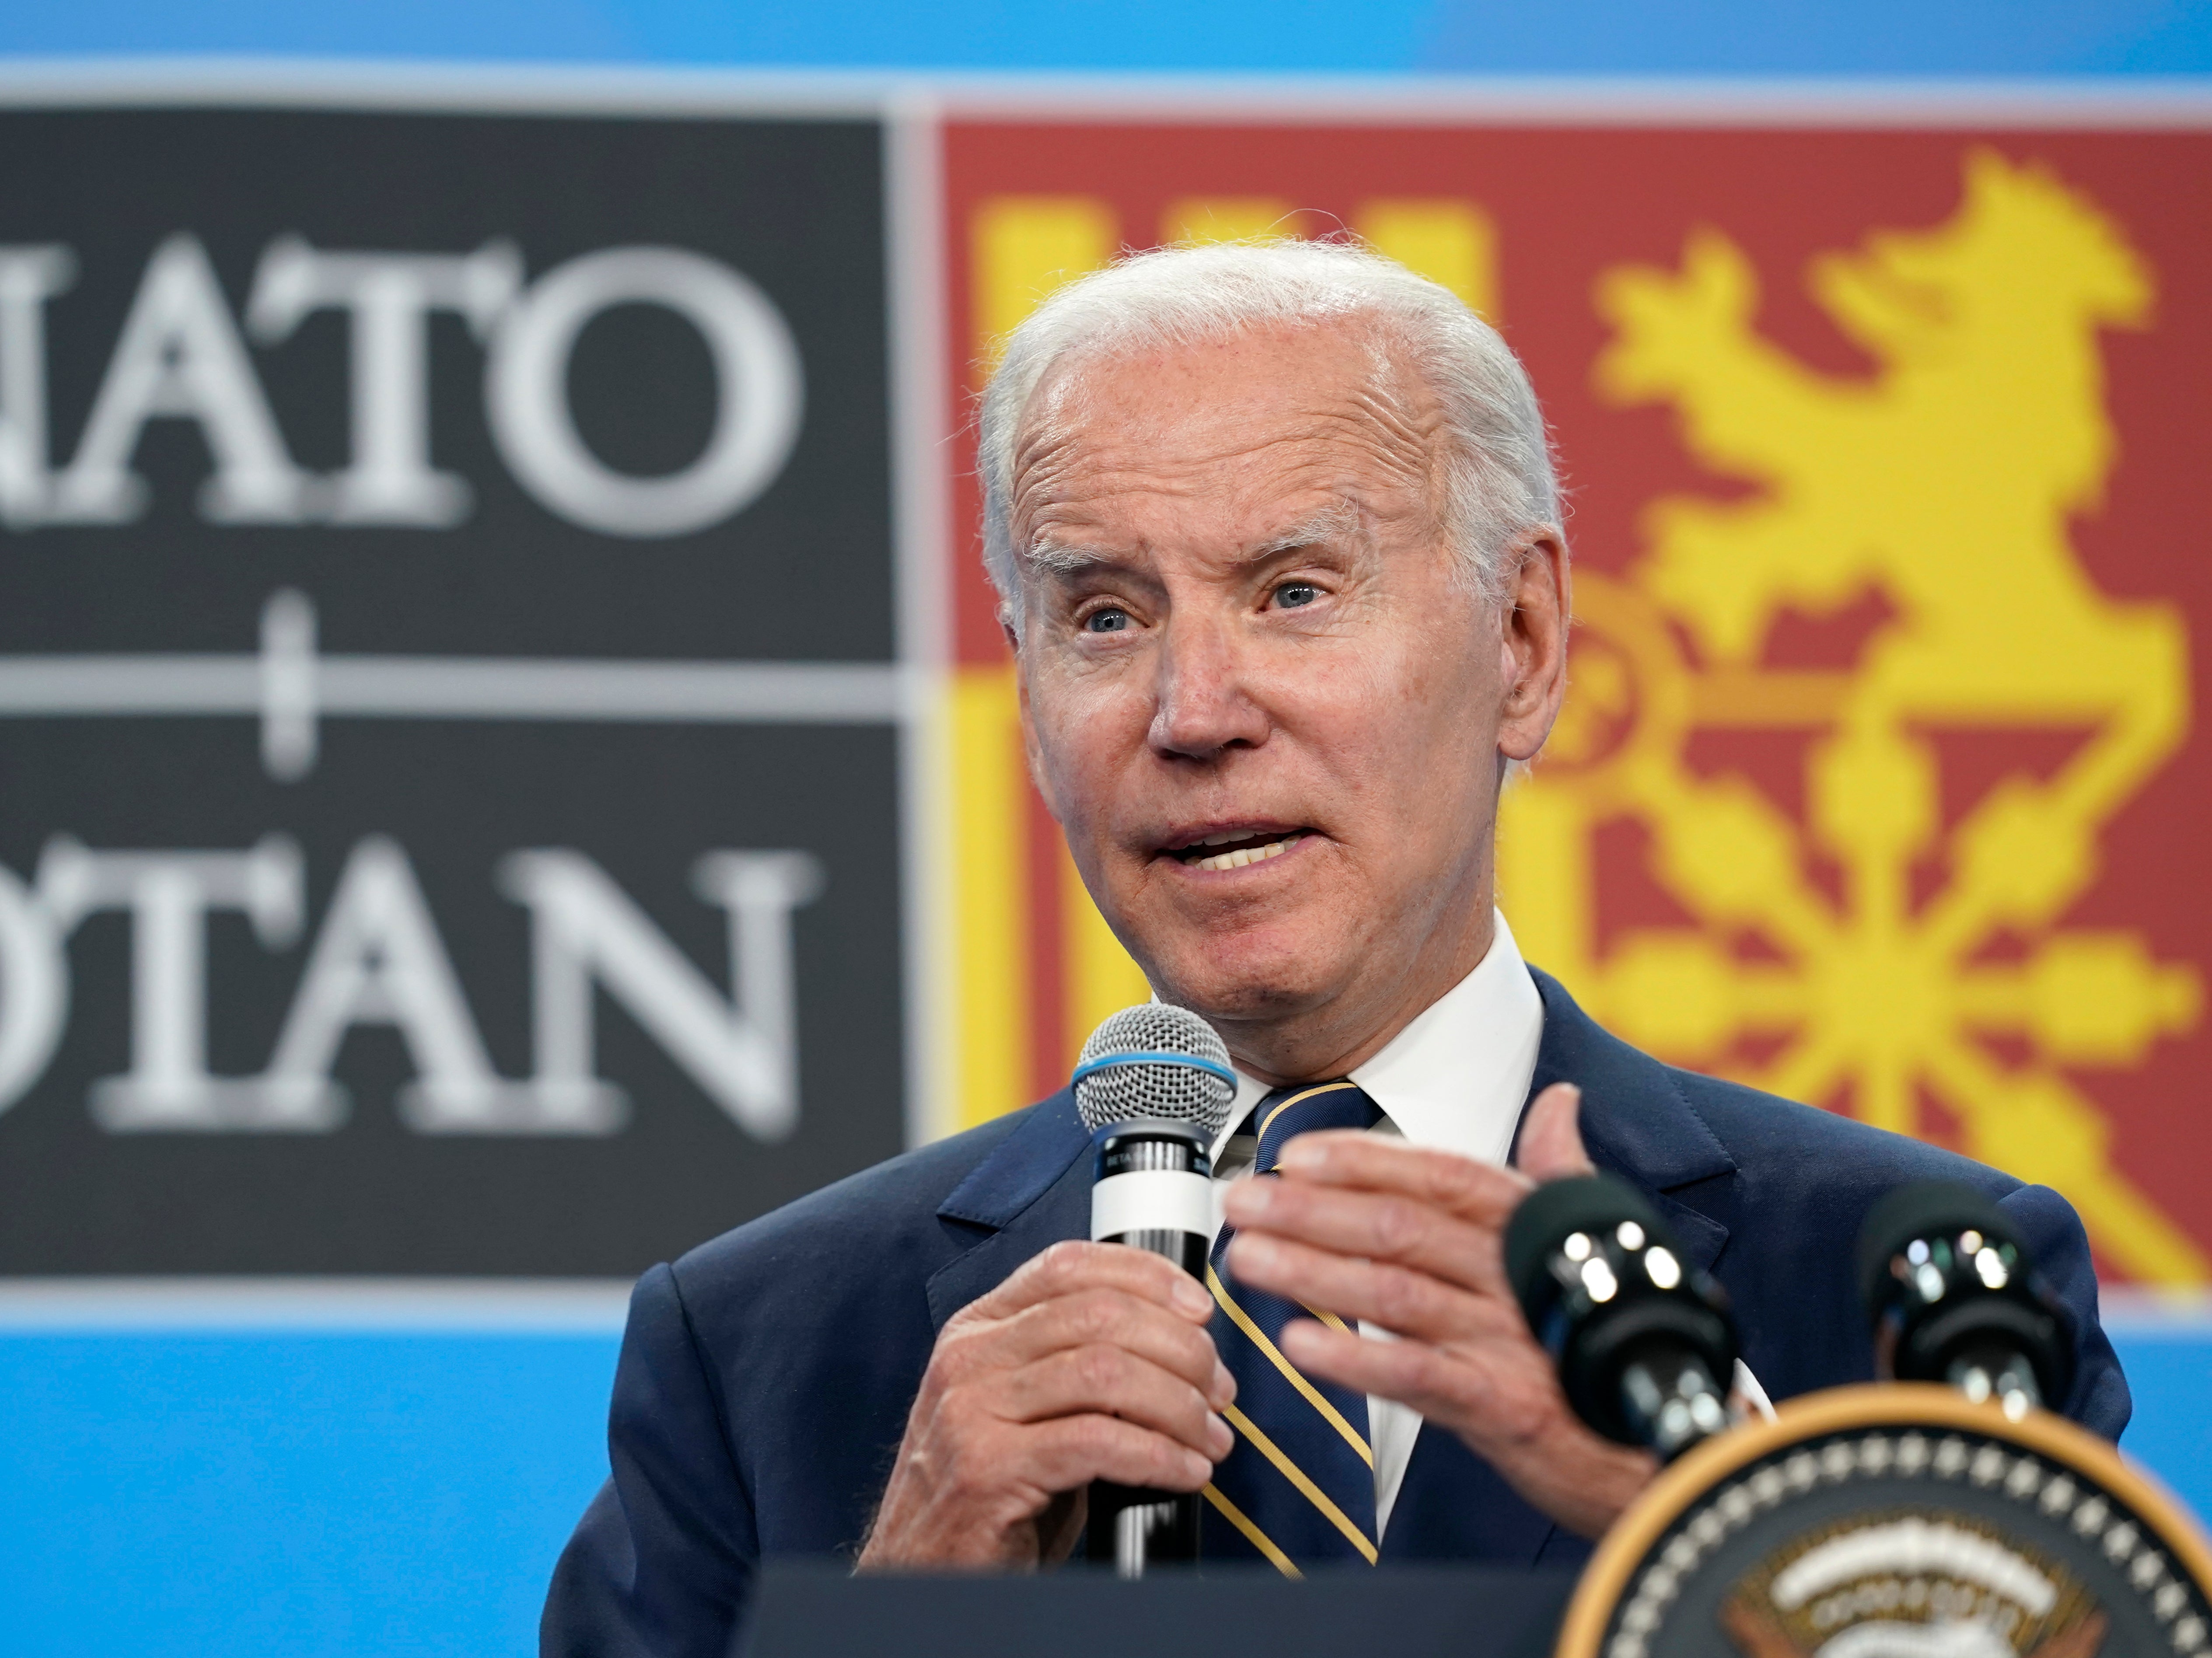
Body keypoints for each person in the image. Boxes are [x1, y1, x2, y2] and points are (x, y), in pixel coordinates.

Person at [541, 239, 2128, 1655]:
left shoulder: (1919, 1298)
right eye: (1103, 618)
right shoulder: (764, 1350)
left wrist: (1718, 1515)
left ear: (1522, 644)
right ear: (1024, 695)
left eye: (1293, 592)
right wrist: (902, 1608)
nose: (1194, 713)